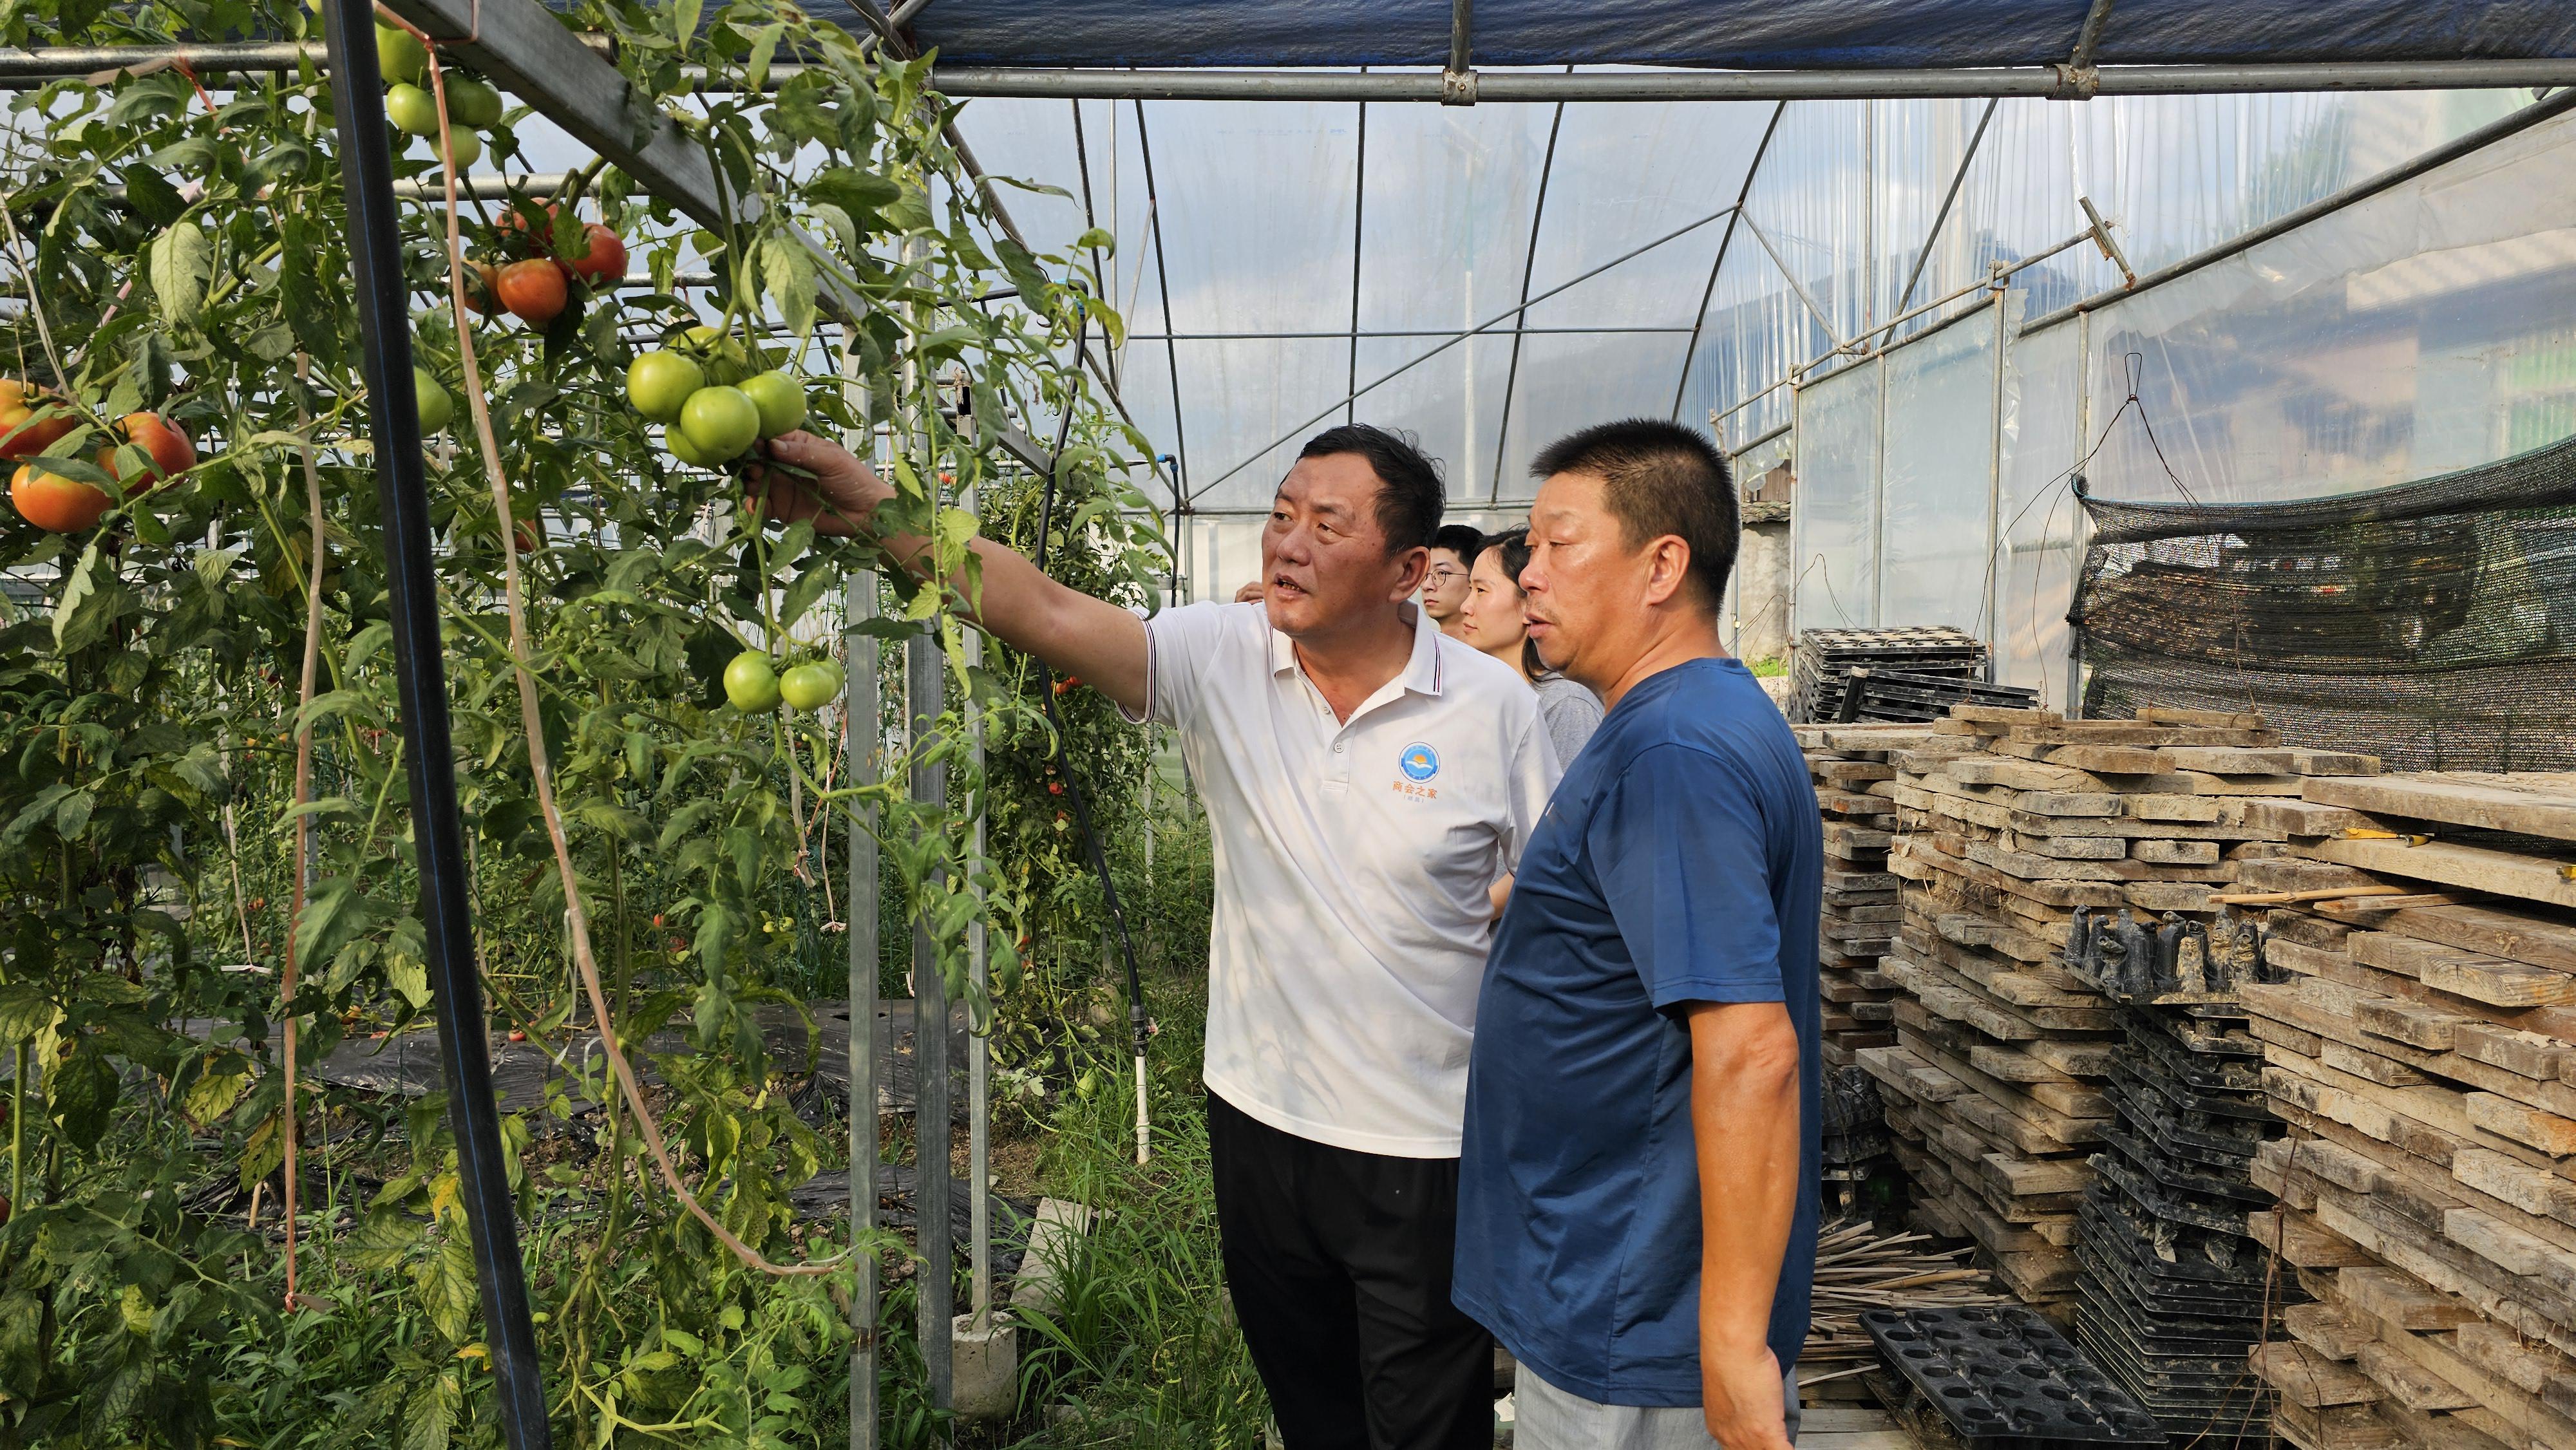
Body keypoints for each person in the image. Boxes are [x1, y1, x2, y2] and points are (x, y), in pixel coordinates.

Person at [750, 422, 1557, 1450]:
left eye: (1326, 524)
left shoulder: (1493, 711)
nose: (1288, 544)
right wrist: (869, 509)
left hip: (1431, 1147)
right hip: (1260, 1123)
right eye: (1279, 514)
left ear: (1407, 569)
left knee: (1426, 1426)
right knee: (1311, 1413)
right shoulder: (1223, 656)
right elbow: (1039, 604)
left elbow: (1554, 900)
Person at [1453, 419, 1822, 1450]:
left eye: (1558, 542)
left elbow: (1751, 1052)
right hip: (1620, 1281)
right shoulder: (1690, 720)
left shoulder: (1674, 753)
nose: (1528, 573)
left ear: (1662, 564)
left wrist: (1735, 1350)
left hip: (1639, 1312)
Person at [1457, 527, 1604, 766]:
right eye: (1469, 590)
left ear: (1531, 603)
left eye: (1481, 591)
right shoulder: (1481, 694)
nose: (1466, 606)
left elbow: (1567, 803)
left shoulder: (1565, 704)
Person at [1421, 522, 1485, 641]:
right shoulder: (1424, 649)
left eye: (1442, 573)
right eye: (1425, 574)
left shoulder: (1492, 655)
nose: (1427, 586)